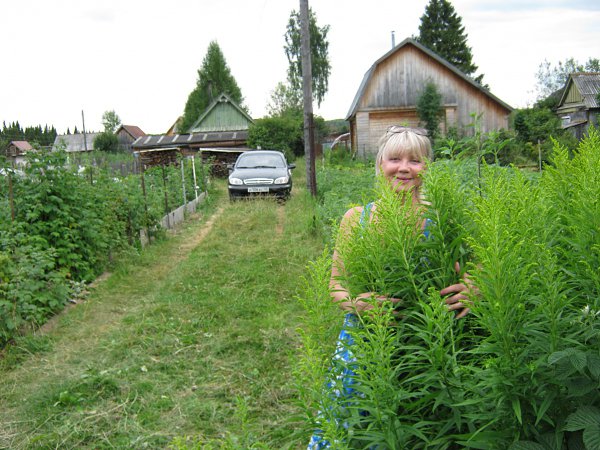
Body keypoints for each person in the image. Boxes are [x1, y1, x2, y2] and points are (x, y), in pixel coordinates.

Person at [307, 126, 473, 449]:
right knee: (352, 431)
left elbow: (474, 266)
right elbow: (336, 285)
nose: (404, 168)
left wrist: (475, 286)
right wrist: (357, 303)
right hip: (365, 347)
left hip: (426, 351)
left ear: (427, 168)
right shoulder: (357, 219)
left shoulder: (442, 220)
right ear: (380, 164)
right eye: (395, 159)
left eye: (416, 160)